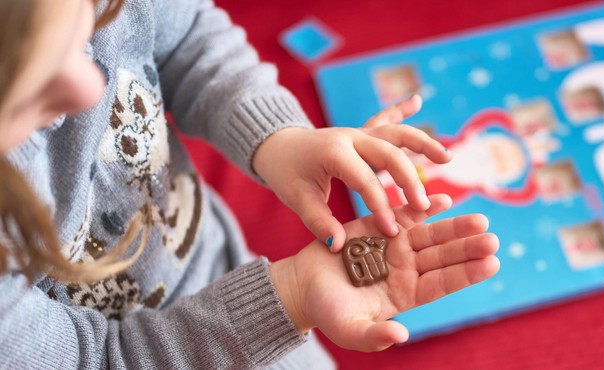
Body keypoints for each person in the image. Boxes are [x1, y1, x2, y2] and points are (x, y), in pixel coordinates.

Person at [0, 0, 500, 369]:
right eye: (32, 85)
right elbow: (100, 361)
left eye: (87, 28)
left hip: (229, 279)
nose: (94, 87)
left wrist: (280, 139)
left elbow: (190, 38)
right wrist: (291, 294)